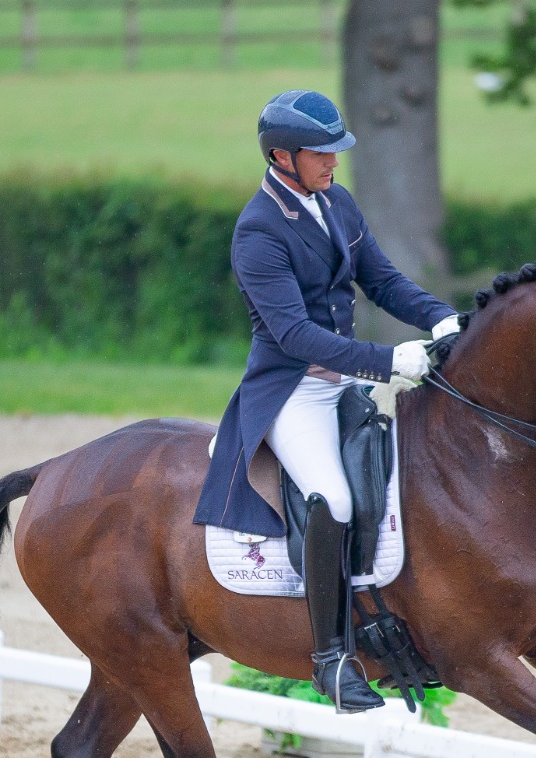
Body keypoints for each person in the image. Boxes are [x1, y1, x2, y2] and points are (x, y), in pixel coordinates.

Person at [194, 89, 461, 713]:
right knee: (333, 498)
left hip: (344, 381)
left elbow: (382, 279)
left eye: (336, 152)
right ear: (282, 157)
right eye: (322, 153)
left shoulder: (335, 202)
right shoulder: (257, 230)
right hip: (293, 390)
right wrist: (387, 359)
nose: (333, 163)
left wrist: (441, 318)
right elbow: (292, 334)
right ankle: (332, 660)